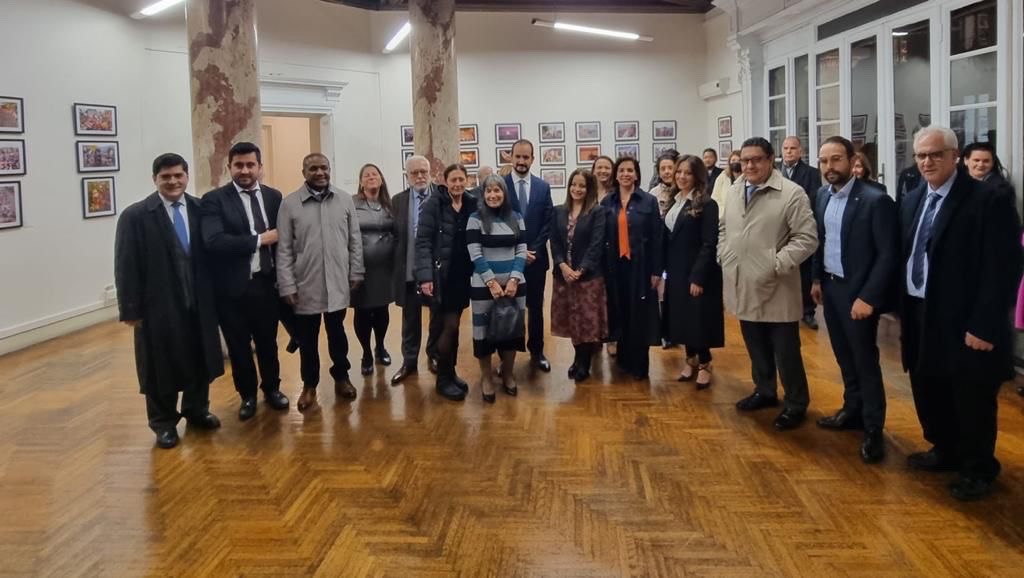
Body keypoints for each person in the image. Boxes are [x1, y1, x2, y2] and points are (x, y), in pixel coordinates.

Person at [899, 126, 1021, 501]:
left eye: (936, 154)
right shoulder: (914, 198)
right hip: (921, 311)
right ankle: (944, 449)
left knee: (970, 396)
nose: (927, 162)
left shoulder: (987, 199)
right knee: (928, 385)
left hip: (966, 320)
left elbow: (1003, 267)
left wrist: (985, 325)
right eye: (921, 155)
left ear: (956, 157)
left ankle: (978, 468)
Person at [114, 153, 223, 449]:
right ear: (155, 180)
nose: (173, 181)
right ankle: (163, 423)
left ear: (187, 176)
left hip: (198, 302)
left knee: (199, 358)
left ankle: (196, 410)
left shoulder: (201, 209)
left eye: (178, 175)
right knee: (160, 364)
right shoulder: (136, 216)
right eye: (166, 177)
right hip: (158, 306)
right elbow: (126, 265)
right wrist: (130, 310)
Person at [809, 136, 898, 464]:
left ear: (851, 160)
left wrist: (868, 297)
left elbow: (888, 255)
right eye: (823, 161)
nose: (829, 167)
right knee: (844, 355)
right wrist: (817, 278)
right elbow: (822, 239)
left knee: (864, 359)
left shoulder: (876, 200)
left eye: (836, 160)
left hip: (859, 292)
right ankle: (853, 409)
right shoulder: (820, 195)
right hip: (831, 288)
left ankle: (874, 428)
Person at [720, 137, 818, 431]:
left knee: (786, 351)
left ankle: (796, 403)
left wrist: (775, 263)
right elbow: (724, 227)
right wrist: (723, 253)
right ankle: (764, 390)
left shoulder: (791, 193)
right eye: (745, 160)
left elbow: (807, 238)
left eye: (757, 160)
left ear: (771, 159)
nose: (750, 165)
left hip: (777, 286)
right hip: (743, 282)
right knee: (755, 345)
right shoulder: (736, 189)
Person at [200, 142, 290, 421]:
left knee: (268, 343)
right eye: (239, 165)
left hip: (266, 284)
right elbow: (214, 242)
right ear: (230, 168)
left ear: (260, 167)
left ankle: (272, 389)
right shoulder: (215, 199)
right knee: (239, 347)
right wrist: (261, 239)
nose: (245, 170)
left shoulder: (275, 197)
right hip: (232, 289)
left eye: (250, 165)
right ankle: (247, 396)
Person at [277, 153, 364, 411]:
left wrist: (356, 270)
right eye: (313, 168)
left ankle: (342, 377)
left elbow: (354, 240)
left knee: (338, 334)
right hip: (306, 284)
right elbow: (283, 249)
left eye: (324, 168)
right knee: (308, 339)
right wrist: (287, 284)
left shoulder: (344, 200)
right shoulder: (289, 204)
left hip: (338, 282)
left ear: (330, 169)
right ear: (303, 172)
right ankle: (310, 385)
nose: (320, 173)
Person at [416, 163, 479, 402]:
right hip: (440, 276)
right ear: (445, 180)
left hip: (462, 275)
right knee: (448, 326)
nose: (458, 184)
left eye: (461, 179)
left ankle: (451, 373)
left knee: (453, 327)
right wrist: (424, 277)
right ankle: (443, 379)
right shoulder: (434, 203)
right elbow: (422, 242)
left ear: (467, 180)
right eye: (453, 180)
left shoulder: (472, 202)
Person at [663, 155, 724, 389]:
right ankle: (690, 360)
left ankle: (706, 363)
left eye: (687, 173)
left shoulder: (707, 204)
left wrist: (698, 276)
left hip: (697, 272)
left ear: (697, 176)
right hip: (676, 271)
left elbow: (709, 243)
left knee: (698, 320)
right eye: (679, 172)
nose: (681, 176)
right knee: (683, 318)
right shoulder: (675, 200)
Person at [601, 156, 663, 379]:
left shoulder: (648, 201)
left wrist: (657, 270)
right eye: (622, 170)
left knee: (640, 316)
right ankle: (624, 361)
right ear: (616, 175)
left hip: (641, 267)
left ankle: (640, 364)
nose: (626, 174)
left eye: (630, 170)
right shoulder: (607, 202)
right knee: (620, 312)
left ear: (636, 174)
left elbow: (657, 238)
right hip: (614, 267)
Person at [467, 176, 527, 402]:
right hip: (483, 286)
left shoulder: (517, 217)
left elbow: (522, 249)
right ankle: (486, 378)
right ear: (482, 195)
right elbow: (475, 252)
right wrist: (491, 282)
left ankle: (509, 373)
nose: (493, 195)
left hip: (515, 286)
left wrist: (513, 279)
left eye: (497, 191)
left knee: (512, 329)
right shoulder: (475, 219)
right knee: (482, 332)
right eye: (488, 191)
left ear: (504, 193)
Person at [550, 169, 609, 382]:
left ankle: (584, 362)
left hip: (588, 277)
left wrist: (581, 269)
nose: (577, 189)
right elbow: (554, 242)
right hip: (563, 276)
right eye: (574, 184)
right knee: (571, 320)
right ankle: (577, 358)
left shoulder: (597, 212)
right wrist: (563, 266)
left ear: (589, 188)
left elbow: (596, 244)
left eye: (582, 186)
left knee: (587, 321)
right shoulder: (558, 211)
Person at [390, 155, 444, 384]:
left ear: (431, 173)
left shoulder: (442, 197)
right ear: (407, 176)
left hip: (437, 270)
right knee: (410, 318)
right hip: (410, 269)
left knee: (437, 317)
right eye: (415, 173)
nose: (420, 176)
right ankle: (409, 362)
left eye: (424, 171)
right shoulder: (398, 201)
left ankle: (433, 355)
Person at [505, 139, 554, 372]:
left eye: (526, 157)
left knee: (535, 308)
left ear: (532, 159)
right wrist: (519, 251)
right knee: (510, 308)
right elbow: (497, 222)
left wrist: (531, 249)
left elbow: (548, 222)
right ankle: (508, 356)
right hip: (507, 258)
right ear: (511, 157)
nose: (522, 161)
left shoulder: (543, 187)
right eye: (518, 157)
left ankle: (537, 352)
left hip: (536, 259)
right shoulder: (501, 186)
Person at [351, 163, 396, 376]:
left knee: (381, 310)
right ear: (361, 181)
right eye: (366, 174)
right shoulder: (352, 204)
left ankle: (380, 346)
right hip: (361, 268)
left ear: (381, 178)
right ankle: (366, 353)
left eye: (375, 173)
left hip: (385, 268)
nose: (371, 177)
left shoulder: (390, 204)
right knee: (362, 311)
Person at [779, 136, 822, 330]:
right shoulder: (774, 172)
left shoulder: (811, 173)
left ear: (800, 151)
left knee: (804, 270)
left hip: (800, 223)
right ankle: (786, 308)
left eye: (793, 148)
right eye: (786, 148)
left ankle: (807, 311)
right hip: (780, 227)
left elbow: (813, 199)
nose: (789, 152)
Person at [651, 152, 679, 217]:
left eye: (670, 168)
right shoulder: (653, 194)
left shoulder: (683, 191)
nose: (666, 172)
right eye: (663, 169)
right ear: (659, 173)